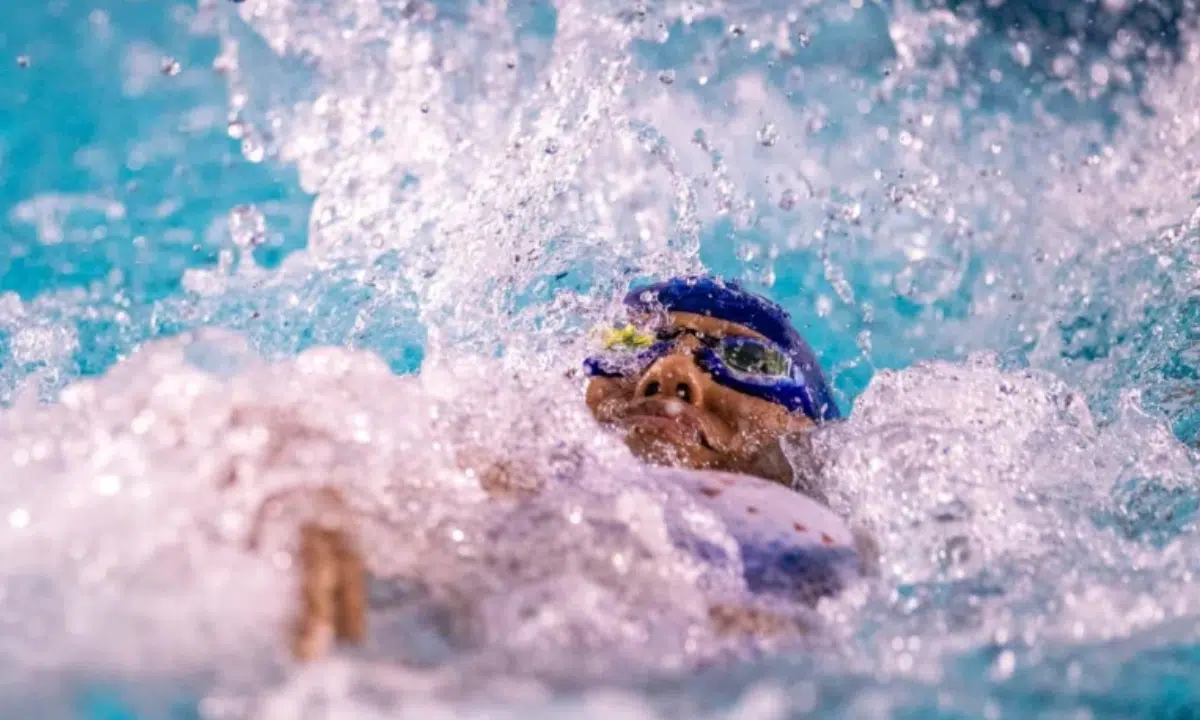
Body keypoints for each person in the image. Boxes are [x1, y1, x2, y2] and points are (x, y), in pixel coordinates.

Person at [261, 275, 874, 662]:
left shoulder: (879, 502)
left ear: (809, 426)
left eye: (744, 358)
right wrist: (317, 485)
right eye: (633, 344)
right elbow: (299, 415)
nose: (671, 374)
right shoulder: (509, 456)